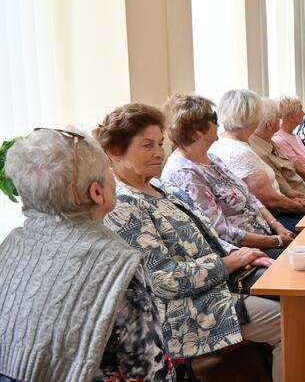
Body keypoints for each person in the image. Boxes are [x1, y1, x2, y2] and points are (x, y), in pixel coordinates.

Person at [94, 103, 284, 381]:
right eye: (147, 145)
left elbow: (210, 235)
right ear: (114, 151)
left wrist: (245, 254)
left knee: (294, 293)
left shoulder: (161, 186)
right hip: (180, 310)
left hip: (216, 284)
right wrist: (228, 263)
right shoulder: (123, 205)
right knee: (287, 321)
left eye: (160, 143)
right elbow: (163, 280)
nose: (159, 152)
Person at [0, 128, 173, 381]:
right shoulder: (117, 262)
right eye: (108, 171)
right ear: (97, 192)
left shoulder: (11, 245)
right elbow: (148, 371)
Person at [159, 94, 293, 257]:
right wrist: (276, 241)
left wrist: (276, 225)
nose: (220, 123)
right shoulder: (185, 173)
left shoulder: (211, 158)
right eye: (214, 119)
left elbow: (249, 196)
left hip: (266, 236)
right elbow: (222, 231)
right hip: (243, 253)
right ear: (199, 131)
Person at [208, 89, 305, 230]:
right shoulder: (239, 152)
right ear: (252, 117)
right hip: (271, 216)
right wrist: (301, 206)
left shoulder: (224, 141)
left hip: (275, 210)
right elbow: (268, 199)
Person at [250, 97, 305, 203]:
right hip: (300, 201)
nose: (281, 119)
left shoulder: (271, 142)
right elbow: (287, 191)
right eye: (279, 117)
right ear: (269, 125)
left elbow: (293, 174)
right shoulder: (263, 151)